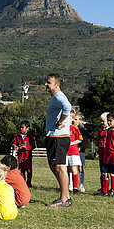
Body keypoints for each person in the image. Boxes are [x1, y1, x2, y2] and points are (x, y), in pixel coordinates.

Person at [44, 73, 72, 207]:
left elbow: (68, 107)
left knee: (60, 167)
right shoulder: (55, 97)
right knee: (54, 166)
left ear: (57, 85)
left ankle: (64, 199)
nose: (46, 84)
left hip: (58, 137)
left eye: (49, 82)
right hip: (53, 136)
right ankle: (65, 195)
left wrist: (61, 121)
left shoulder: (59, 96)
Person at [12, 121, 36, 187]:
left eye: (23, 127)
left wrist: (26, 147)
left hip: (28, 157)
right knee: (22, 171)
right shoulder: (18, 136)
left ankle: (29, 183)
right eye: (20, 127)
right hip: (20, 156)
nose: (21, 129)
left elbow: (33, 146)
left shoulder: (30, 137)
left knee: (28, 171)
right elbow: (14, 143)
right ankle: (23, 183)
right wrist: (15, 146)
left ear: (27, 128)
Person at [67, 112, 83, 194]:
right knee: (66, 169)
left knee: (74, 169)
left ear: (72, 119)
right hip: (65, 152)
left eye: (69, 117)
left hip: (73, 151)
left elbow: (80, 139)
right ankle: (67, 186)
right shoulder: (64, 128)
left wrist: (72, 143)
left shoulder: (74, 128)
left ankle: (75, 187)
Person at [95, 112, 110, 195]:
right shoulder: (100, 131)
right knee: (102, 173)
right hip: (101, 155)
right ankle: (103, 188)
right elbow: (98, 142)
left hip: (108, 156)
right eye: (101, 121)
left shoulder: (110, 132)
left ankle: (107, 190)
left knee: (107, 173)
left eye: (103, 121)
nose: (101, 123)